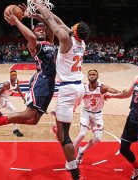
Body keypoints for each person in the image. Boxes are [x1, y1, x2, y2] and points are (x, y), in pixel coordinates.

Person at [0, 10, 56, 142]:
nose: (41, 31)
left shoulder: (50, 42)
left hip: (50, 83)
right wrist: (17, 21)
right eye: (38, 30)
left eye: (42, 30)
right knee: (28, 114)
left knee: (34, 120)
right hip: (41, 80)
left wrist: (34, 15)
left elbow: (49, 23)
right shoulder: (34, 45)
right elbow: (31, 37)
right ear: (33, 33)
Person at [36, 4, 90, 180]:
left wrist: (38, 4)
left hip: (69, 90)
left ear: (73, 32)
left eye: (72, 27)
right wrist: (45, 13)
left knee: (63, 135)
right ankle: (60, 121)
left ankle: (74, 171)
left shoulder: (66, 40)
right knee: (61, 129)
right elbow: (59, 22)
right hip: (78, 88)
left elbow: (52, 22)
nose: (70, 26)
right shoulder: (81, 41)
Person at [73, 69, 120, 164]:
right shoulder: (83, 87)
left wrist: (120, 92)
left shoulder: (102, 87)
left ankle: (81, 151)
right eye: (90, 74)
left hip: (97, 114)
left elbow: (112, 90)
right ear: (87, 76)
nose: (92, 75)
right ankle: (70, 157)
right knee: (82, 134)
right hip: (85, 113)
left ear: (97, 76)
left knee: (98, 138)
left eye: (94, 74)